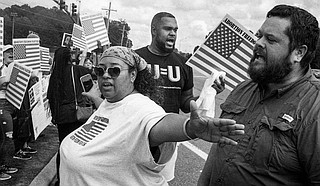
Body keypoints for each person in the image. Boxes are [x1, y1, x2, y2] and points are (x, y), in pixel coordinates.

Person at [58, 46, 244, 185]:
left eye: (114, 70)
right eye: (100, 70)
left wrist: (189, 128)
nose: (105, 75)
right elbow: (114, 117)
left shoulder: (143, 108)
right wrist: (96, 100)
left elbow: (159, 124)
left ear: (132, 75)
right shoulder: (110, 102)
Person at [198, 4, 320, 185]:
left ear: (298, 52)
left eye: (270, 39)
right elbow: (219, 148)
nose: (258, 43)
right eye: (259, 35)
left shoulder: (314, 108)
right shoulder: (243, 89)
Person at [135, 12, 224, 181]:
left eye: (175, 29)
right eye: (167, 29)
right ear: (154, 30)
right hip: (136, 133)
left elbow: (185, 101)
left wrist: (208, 93)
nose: (173, 33)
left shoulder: (183, 64)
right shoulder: (136, 58)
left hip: (167, 137)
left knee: (161, 181)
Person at [47, 47, 93, 185]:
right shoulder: (78, 70)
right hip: (77, 115)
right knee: (79, 148)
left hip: (62, 116)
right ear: (70, 57)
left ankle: (61, 179)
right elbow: (91, 87)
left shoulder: (55, 74)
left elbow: (51, 97)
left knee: (63, 147)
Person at [0, 45, 18, 180]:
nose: (11, 54)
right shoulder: (2, 68)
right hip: (2, 105)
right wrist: (5, 81)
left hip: (11, 104)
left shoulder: (12, 68)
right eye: (8, 52)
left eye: (12, 52)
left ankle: (4, 165)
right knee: (6, 137)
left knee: (7, 137)